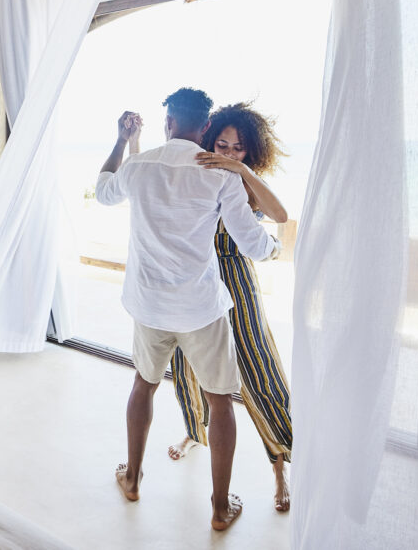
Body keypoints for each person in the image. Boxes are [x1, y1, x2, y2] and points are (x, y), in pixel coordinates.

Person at [96, 88, 280, 532]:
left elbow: (103, 191)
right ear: (205, 129)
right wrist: (274, 249)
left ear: (168, 123)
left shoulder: (139, 165)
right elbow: (251, 241)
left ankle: (134, 479)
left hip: (149, 305)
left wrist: (121, 142)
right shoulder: (219, 175)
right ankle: (219, 509)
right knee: (220, 403)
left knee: (144, 385)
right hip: (199, 309)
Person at [155, 102, 295, 513]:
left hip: (236, 276)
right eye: (222, 144)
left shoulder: (244, 179)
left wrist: (241, 171)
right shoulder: (197, 171)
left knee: (257, 363)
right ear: (207, 138)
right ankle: (195, 432)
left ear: (251, 151)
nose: (229, 153)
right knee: (187, 364)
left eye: (239, 148)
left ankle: (279, 460)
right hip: (195, 279)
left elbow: (281, 215)